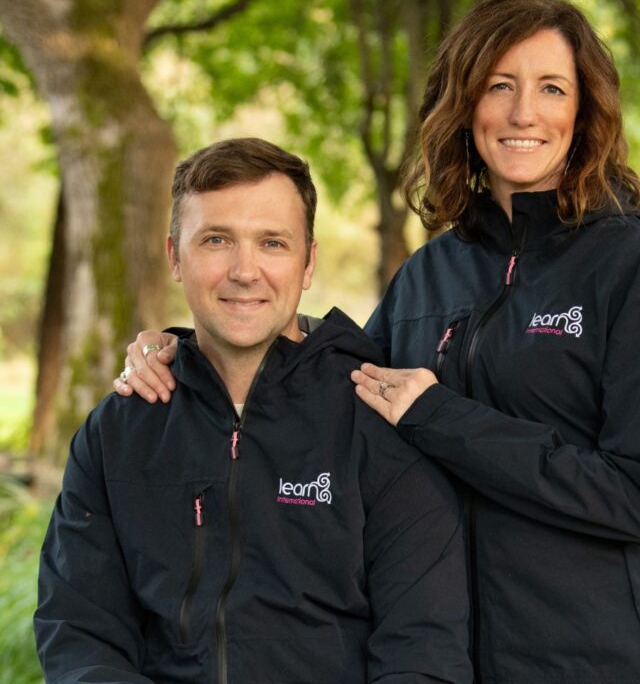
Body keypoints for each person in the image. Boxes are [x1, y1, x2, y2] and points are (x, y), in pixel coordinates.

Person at [114, 0, 640, 684]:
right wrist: (185, 347)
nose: (525, 112)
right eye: (500, 86)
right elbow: (342, 378)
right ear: (465, 104)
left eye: (552, 88)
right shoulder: (433, 273)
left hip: (619, 656)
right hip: (472, 657)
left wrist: (442, 418)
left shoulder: (635, 270)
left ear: (583, 113)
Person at [35, 138, 472, 684]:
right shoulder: (121, 428)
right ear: (175, 256)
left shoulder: (380, 426)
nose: (245, 271)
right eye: (216, 240)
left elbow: (424, 652)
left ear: (307, 262)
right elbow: (80, 631)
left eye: (272, 243)